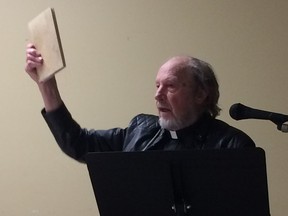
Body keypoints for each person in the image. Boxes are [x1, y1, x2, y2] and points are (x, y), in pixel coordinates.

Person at [25, 43, 255, 163]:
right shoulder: (141, 130)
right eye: (157, 86)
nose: (158, 95)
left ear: (201, 94)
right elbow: (78, 143)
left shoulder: (233, 146)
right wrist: (46, 86)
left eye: (171, 86)